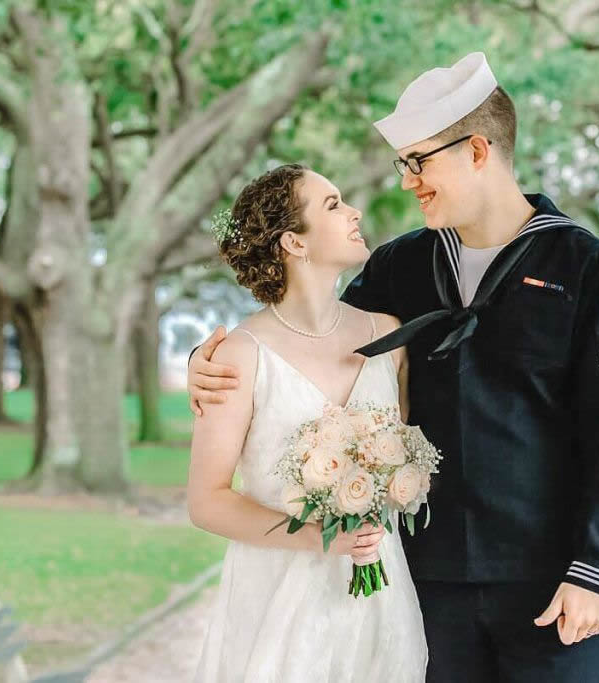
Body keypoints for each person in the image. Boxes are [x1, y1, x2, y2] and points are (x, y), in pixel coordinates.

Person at [189, 52, 599, 682]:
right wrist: (211, 363)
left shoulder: (591, 273)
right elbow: (312, 342)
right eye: (403, 164)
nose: (408, 180)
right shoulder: (398, 268)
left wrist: (593, 568)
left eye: (419, 161)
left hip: (550, 581)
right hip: (420, 583)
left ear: (477, 150)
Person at [187, 163, 427, 682]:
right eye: (334, 204)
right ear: (295, 242)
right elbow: (207, 502)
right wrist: (318, 536)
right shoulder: (238, 355)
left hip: (379, 593)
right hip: (278, 590)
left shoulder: (390, 338)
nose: (354, 212)